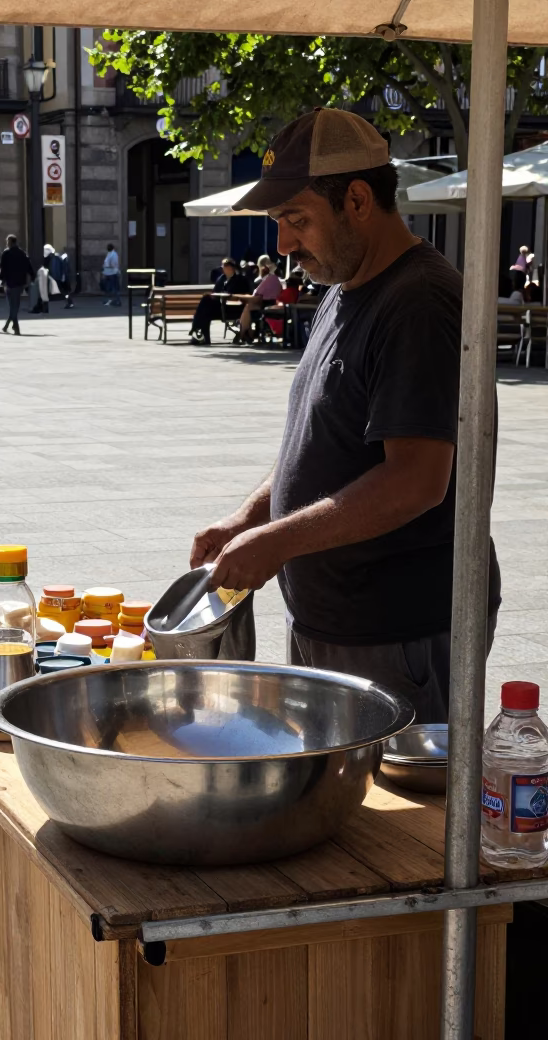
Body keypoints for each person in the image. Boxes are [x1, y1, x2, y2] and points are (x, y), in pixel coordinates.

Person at [190, 107, 501, 722]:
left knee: (394, 817)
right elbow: (321, 445)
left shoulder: (420, 302)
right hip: (335, 622)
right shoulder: (344, 286)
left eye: (296, 220)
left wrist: (277, 540)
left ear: (357, 199)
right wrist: (247, 519)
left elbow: (416, 481)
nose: (282, 245)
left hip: (397, 634)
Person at [189, 258, 252, 346]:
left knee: (205, 303)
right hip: (220, 308)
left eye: (225, 266)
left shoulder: (240, 280)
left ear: (231, 267)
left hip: (233, 309)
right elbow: (215, 293)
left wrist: (225, 295)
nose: (223, 268)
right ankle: (205, 339)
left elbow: (242, 295)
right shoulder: (221, 279)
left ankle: (195, 330)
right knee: (205, 310)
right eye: (222, 266)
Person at [233, 257, 284, 344]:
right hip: (270, 304)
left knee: (248, 307)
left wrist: (238, 296)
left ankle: (242, 333)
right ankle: (247, 334)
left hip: (266, 306)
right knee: (248, 307)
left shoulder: (269, 279)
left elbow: (256, 295)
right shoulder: (276, 279)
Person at [0, 234, 34, 335]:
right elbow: (29, 266)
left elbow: (2, 268)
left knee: (12, 306)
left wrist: (1, 280)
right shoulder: (22, 253)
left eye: (7, 242)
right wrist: (33, 277)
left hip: (9, 283)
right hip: (19, 283)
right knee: (15, 305)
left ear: (10, 242)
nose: (6, 244)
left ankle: (15, 326)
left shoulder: (6, 253)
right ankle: (11, 326)